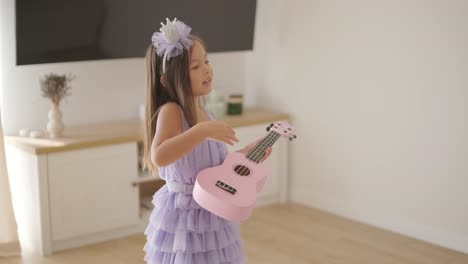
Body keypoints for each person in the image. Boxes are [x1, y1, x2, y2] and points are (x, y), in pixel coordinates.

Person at [142, 18, 272, 264]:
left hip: (213, 210)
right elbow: (159, 155)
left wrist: (247, 154)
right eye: (195, 66)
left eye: (207, 61)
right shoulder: (172, 111)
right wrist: (201, 130)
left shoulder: (206, 114)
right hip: (185, 216)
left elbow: (217, 168)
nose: (207, 69)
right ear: (170, 80)